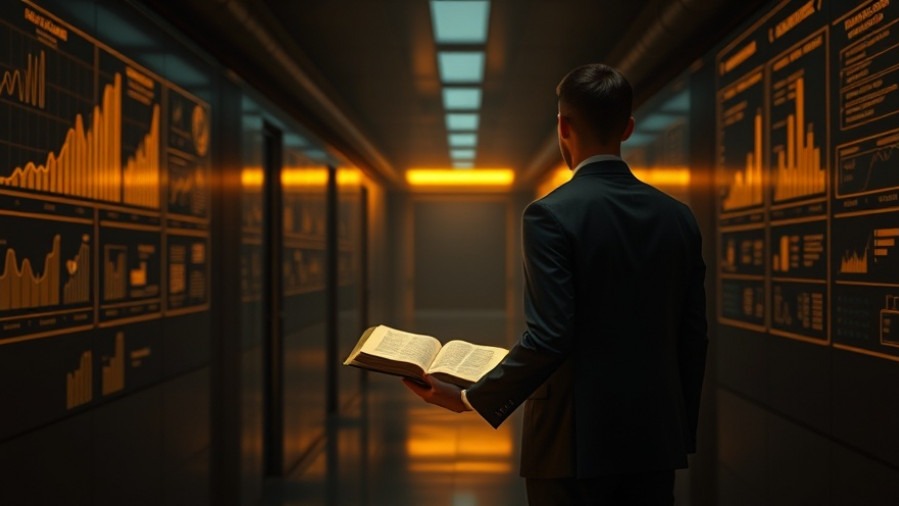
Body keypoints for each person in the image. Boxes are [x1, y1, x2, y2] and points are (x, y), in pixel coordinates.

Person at [403, 63, 708, 505]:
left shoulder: (550, 214)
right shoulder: (678, 218)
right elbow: (693, 337)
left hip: (572, 444)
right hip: (655, 442)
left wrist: (469, 398)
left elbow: (551, 335)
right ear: (627, 128)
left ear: (563, 127)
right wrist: (677, 430)